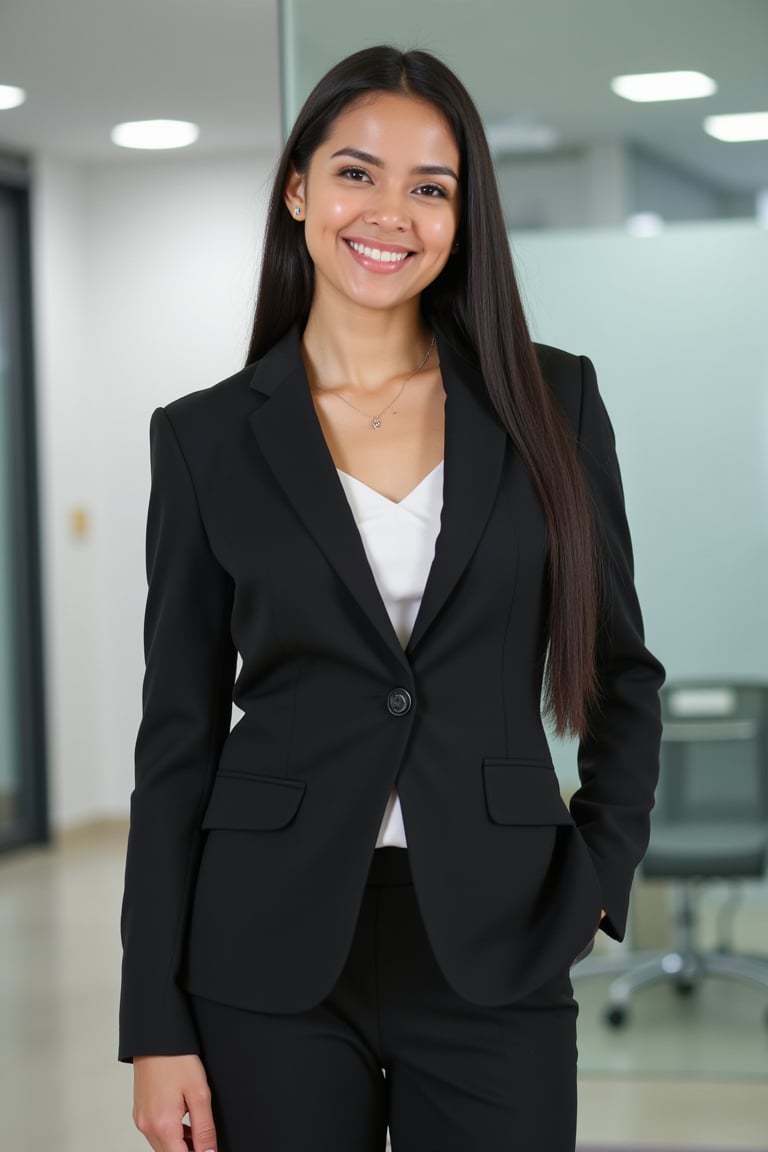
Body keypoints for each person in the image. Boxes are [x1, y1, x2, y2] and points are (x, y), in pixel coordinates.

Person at [119, 44, 664, 1152]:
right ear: (298, 189)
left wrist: (598, 876)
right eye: (357, 173)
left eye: (431, 187)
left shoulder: (552, 399)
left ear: (464, 216)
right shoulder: (205, 437)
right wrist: (153, 1023)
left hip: (499, 927)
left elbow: (622, 672)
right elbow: (176, 737)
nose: (391, 213)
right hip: (264, 942)